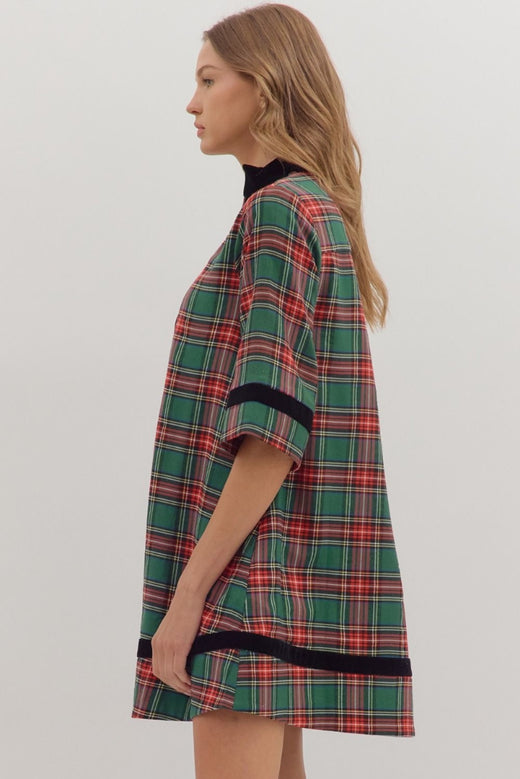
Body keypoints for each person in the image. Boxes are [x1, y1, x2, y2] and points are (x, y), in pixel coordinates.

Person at [131, 3, 415, 777]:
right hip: (279, 578)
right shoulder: (308, 208)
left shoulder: (281, 215)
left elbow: (272, 430)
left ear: (263, 86)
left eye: (207, 80)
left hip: (247, 579)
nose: (190, 103)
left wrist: (189, 594)